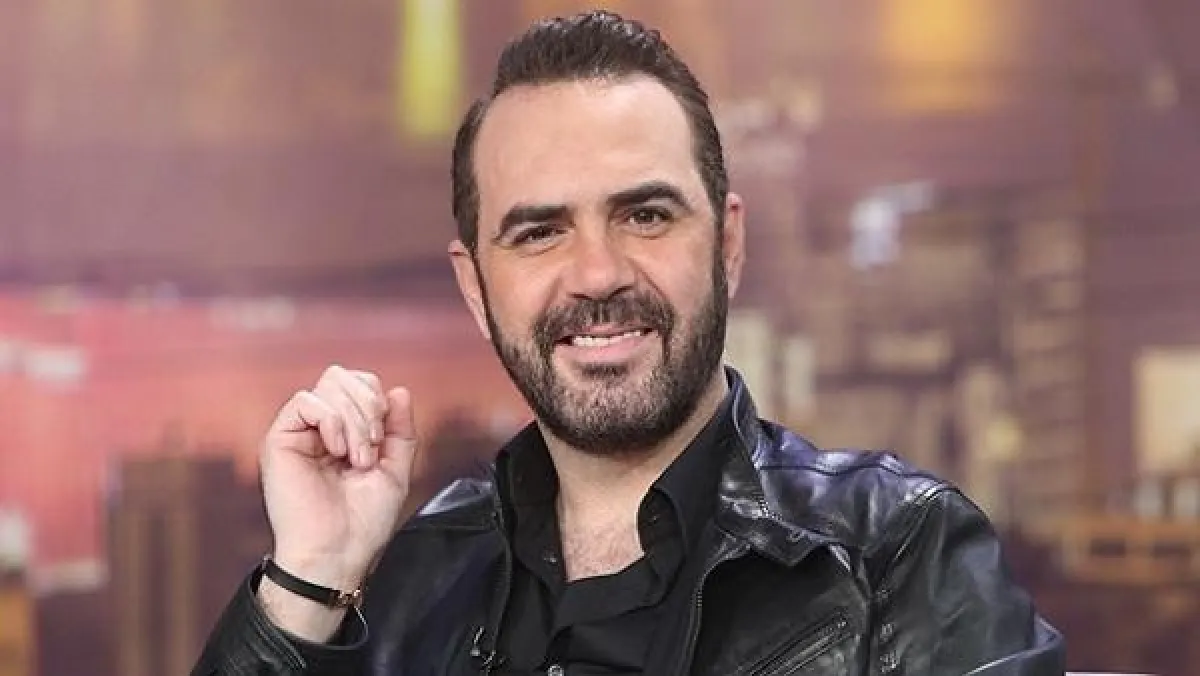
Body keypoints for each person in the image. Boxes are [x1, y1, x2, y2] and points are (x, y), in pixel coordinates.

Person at [193, 10, 1065, 676]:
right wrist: (310, 578)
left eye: (645, 215)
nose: (598, 274)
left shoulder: (896, 554)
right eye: (540, 232)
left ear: (727, 245)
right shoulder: (406, 579)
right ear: (475, 287)